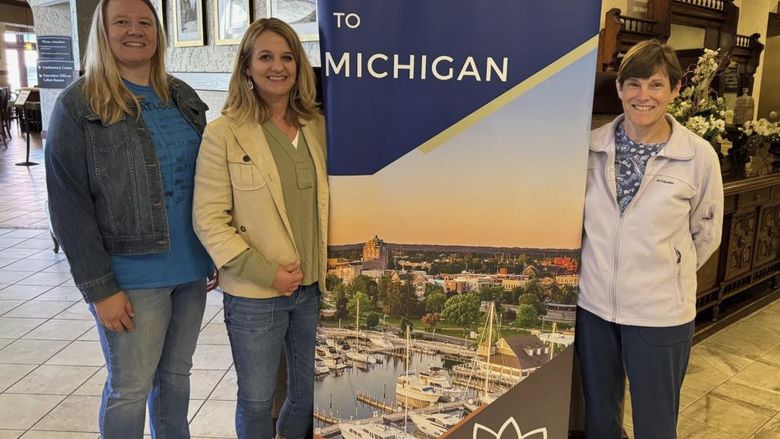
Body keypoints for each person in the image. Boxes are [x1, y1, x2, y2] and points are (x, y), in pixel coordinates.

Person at [44, 0, 213, 437]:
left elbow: (210, 182)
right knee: (130, 388)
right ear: (103, 32)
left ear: (158, 33)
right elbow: (68, 206)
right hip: (131, 279)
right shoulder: (79, 104)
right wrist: (100, 289)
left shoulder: (181, 95)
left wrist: (217, 250)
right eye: (121, 22)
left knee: (176, 379)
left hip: (191, 271)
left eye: (144, 22)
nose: (134, 30)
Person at [576, 39, 724, 439]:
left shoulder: (698, 156)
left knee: (656, 424)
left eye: (656, 85)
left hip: (660, 314)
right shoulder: (589, 148)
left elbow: (705, 234)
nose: (644, 96)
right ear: (620, 88)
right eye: (634, 84)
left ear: (675, 90)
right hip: (594, 308)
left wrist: (665, 271)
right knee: (600, 419)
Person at [192, 17, 328, 439]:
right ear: (247, 67)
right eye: (265, 56)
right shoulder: (224, 134)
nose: (278, 66)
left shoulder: (317, 127)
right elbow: (209, 219)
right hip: (256, 293)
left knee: (308, 396)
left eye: (288, 57)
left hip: (313, 288)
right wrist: (267, 272)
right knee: (256, 401)